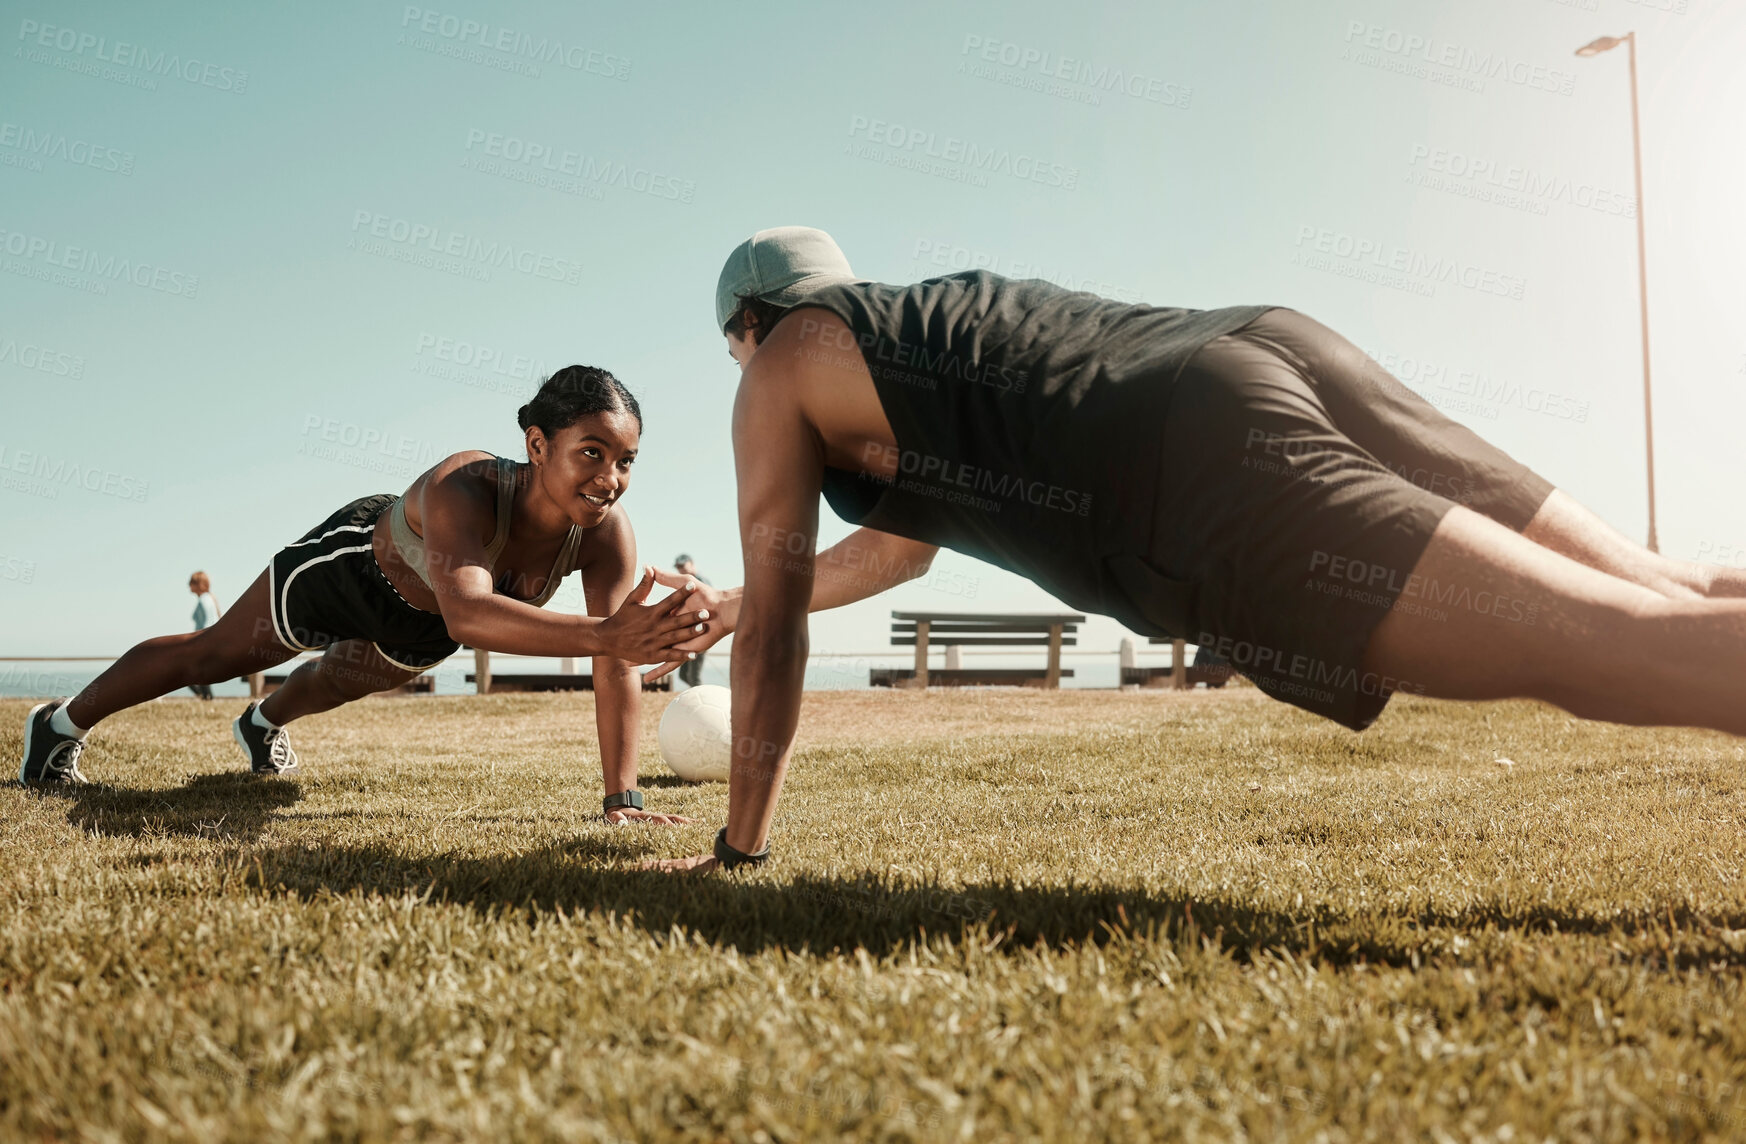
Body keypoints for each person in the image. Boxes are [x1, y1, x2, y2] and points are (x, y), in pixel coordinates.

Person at [648, 225, 1746, 872]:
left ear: (748, 325)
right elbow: (896, 555)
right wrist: (742, 599)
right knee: (1661, 582)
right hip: (1262, 342)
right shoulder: (910, 339)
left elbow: (785, 630)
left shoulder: (782, 365)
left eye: (731, 348)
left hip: (1198, 456)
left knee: (1613, 645)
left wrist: (742, 846)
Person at [21, 366, 711, 827]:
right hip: (351, 572)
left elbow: (615, 656)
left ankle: (259, 727)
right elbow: (474, 611)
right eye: (591, 452)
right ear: (537, 444)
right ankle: (59, 726)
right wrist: (605, 636)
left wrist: (622, 799)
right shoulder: (465, 486)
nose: (611, 478)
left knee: (336, 684)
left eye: (626, 461)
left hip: (424, 623)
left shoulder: (605, 535)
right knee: (214, 656)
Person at [672, 554, 712, 687]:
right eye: (678, 567)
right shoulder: (685, 584)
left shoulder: (701, 582)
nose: (680, 569)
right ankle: (698, 696)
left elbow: (709, 606)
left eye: (682, 566)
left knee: (693, 676)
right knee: (683, 675)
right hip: (689, 634)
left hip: (701, 632)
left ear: (692, 564)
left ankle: (705, 699)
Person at [186, 572, 222, 700]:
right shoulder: (210, 598)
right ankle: (206, 697)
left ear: (199, 585)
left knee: (188, 669)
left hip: (203, 639)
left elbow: (207, 622)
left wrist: (199, 641)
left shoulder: (204, 600)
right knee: (200, 670)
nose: (188, 585)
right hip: (208, 639)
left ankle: (205, 696)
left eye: (192, 582)